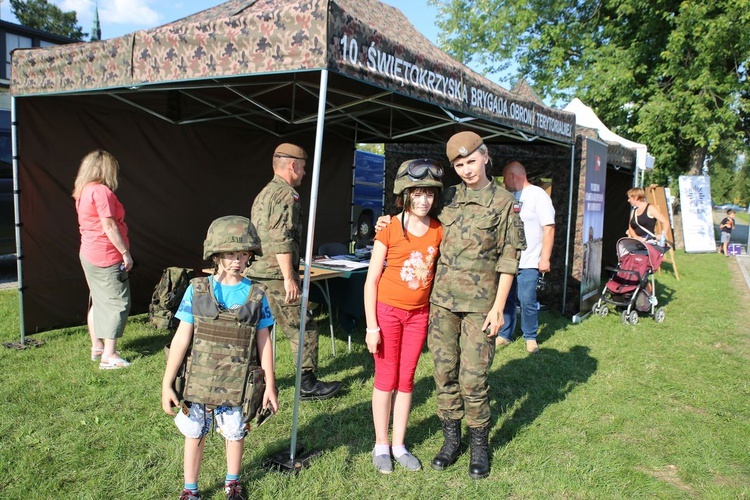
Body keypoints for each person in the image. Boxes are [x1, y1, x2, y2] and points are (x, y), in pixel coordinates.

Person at [377, 131, 525, 479]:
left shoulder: (504, 202)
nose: (466, 170)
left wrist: (499, 307)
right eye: (459, 164)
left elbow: (509, 258)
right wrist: (387, 221)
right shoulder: (448, 197)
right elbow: (416, 216)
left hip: (480, 306)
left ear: (485, 157)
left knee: (473, 378)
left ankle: (478, 446)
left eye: (471, 161)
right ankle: (451, 440)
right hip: (441, 304)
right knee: (444, 375)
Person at [162, 216, 277, 500]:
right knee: (194, 434)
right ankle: (190, 489)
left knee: (235, 434)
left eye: (242, 254)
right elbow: (181, 338)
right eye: (229, 254)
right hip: (199, 381)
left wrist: (270, 384)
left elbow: (265, 342)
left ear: (250, 255)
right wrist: (167, 382)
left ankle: (232, 483)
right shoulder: (197, 289)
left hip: (238, 383)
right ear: (216, 255)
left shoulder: (256, 294)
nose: (236, 260)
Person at [364, 159, 444, 474]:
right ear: (405, 194)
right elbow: (371, 281)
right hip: (386, 313)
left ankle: (399, 444)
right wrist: (372, 326)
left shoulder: (439, 230)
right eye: (417, 194)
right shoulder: (389, 229)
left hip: (418, 315)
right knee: (386, 379)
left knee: (406, 380)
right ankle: (380, 445)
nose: (424, 201)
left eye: (429, 194)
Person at [246, 143, 341, 400]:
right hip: (276, 275)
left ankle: (250, 378)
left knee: (260, 328)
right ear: (293, 165)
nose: (304, 173)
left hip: (258, 272)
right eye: (303, 167)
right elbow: (282, 237)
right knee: (303, 325)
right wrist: (290, 278)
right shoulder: (286, 194)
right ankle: (307, 383)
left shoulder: (265, 193)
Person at [72, 150, 133, 369]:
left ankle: (97, 347)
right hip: (106, 255)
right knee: (117, 303)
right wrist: (125, 253)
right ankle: (110, 355)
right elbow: (109, 225)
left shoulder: (84, 191)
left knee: (98, 300)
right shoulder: (101, 192)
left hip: (89, 252)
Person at [496, 161, 555, 354]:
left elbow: (548, 228)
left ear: (513, 176)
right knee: (506, 298)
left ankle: (530, 337)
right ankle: (505, 334)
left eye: (505, 179)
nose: (504, 184)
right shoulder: (510, 196)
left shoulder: (538, 195)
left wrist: (544, 258)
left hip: (530, 260)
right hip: (509, 259)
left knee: (527, 298)